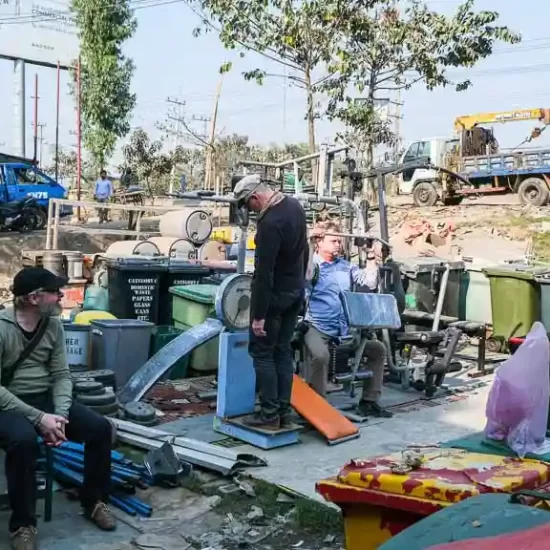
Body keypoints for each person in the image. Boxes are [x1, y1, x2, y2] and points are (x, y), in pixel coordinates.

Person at [0, 267, 116, 550]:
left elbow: (62, 375)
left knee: (100, 429)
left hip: (46, 400)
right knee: (23, 441)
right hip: (8, 402)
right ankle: (23, 525)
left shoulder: (53, 324)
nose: (61, 296)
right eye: (54, 292)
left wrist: (60, 417)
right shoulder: (2, 329)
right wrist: (39, 419)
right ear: (34, 298)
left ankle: (94, 501)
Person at [233, 175, 308, 431]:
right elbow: (304, 251)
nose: (249, 211)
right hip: (294, 292)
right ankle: (284, 412)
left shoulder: (270, 223)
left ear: (255, 198)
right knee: (283, 352)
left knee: (263, 354)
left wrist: (258, 316)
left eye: (247, 205)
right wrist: (301, 289)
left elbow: (264, 273)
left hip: (274, 298)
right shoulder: (295, 207)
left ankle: (269, 414)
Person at [304, 221, 393, 419]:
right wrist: (310, 244)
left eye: (340, 241)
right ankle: (318, 409)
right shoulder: (313, 265)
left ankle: (369, 401)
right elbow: (306, 276)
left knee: (378, 349)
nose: (338, 245)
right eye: (334, 240)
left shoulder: (345, 267)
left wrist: (371, 257)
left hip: (342, 329)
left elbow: (369, 282)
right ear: (320, 242)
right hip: (317, 327)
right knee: (320, 356)